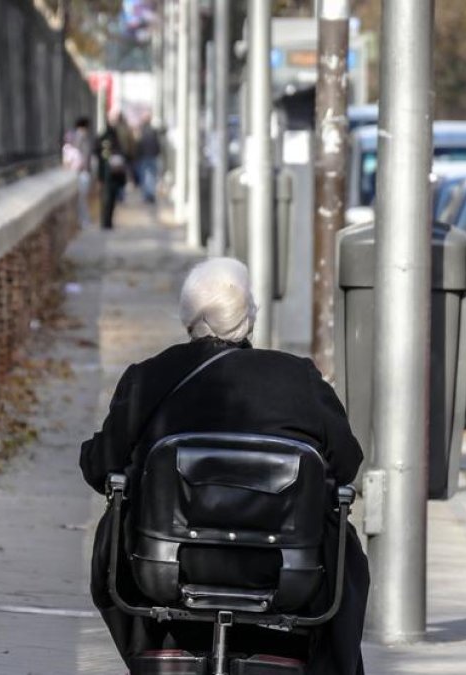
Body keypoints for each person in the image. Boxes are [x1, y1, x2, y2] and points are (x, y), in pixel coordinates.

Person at [80, 258, 369, 675]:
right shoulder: (299, 378)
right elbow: (348, 463)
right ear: (250, 318)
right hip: (286, 572)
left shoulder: (148, 378)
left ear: (187, 316)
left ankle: (154, 651)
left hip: (165, 569)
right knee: (344, 545)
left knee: (117, 521)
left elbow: (98, 466)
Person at [94, 112, 128, 231]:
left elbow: (97, 153)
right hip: (112, 174)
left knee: (106, 198)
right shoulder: (115, 138)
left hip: (106, 173)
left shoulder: (102, 138)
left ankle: (105, 221)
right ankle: (107, 221)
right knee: (110, 198)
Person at [63, 118, 93, 228]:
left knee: (82, 198)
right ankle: (83, 220)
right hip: (82, 171)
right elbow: (81, 155)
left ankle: (83, 219)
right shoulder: (81, 137)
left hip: (81, 170)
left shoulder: (77, 137)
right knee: (82, 198)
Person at [134, 115, 161, 204]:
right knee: (151, 177)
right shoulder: (153, 131)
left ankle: (147, 195)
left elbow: (137, 144)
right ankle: (150, 194)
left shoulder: (140, 131)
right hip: (151, 156)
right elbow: (157, 144)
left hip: (144, 157)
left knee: (145, 177)